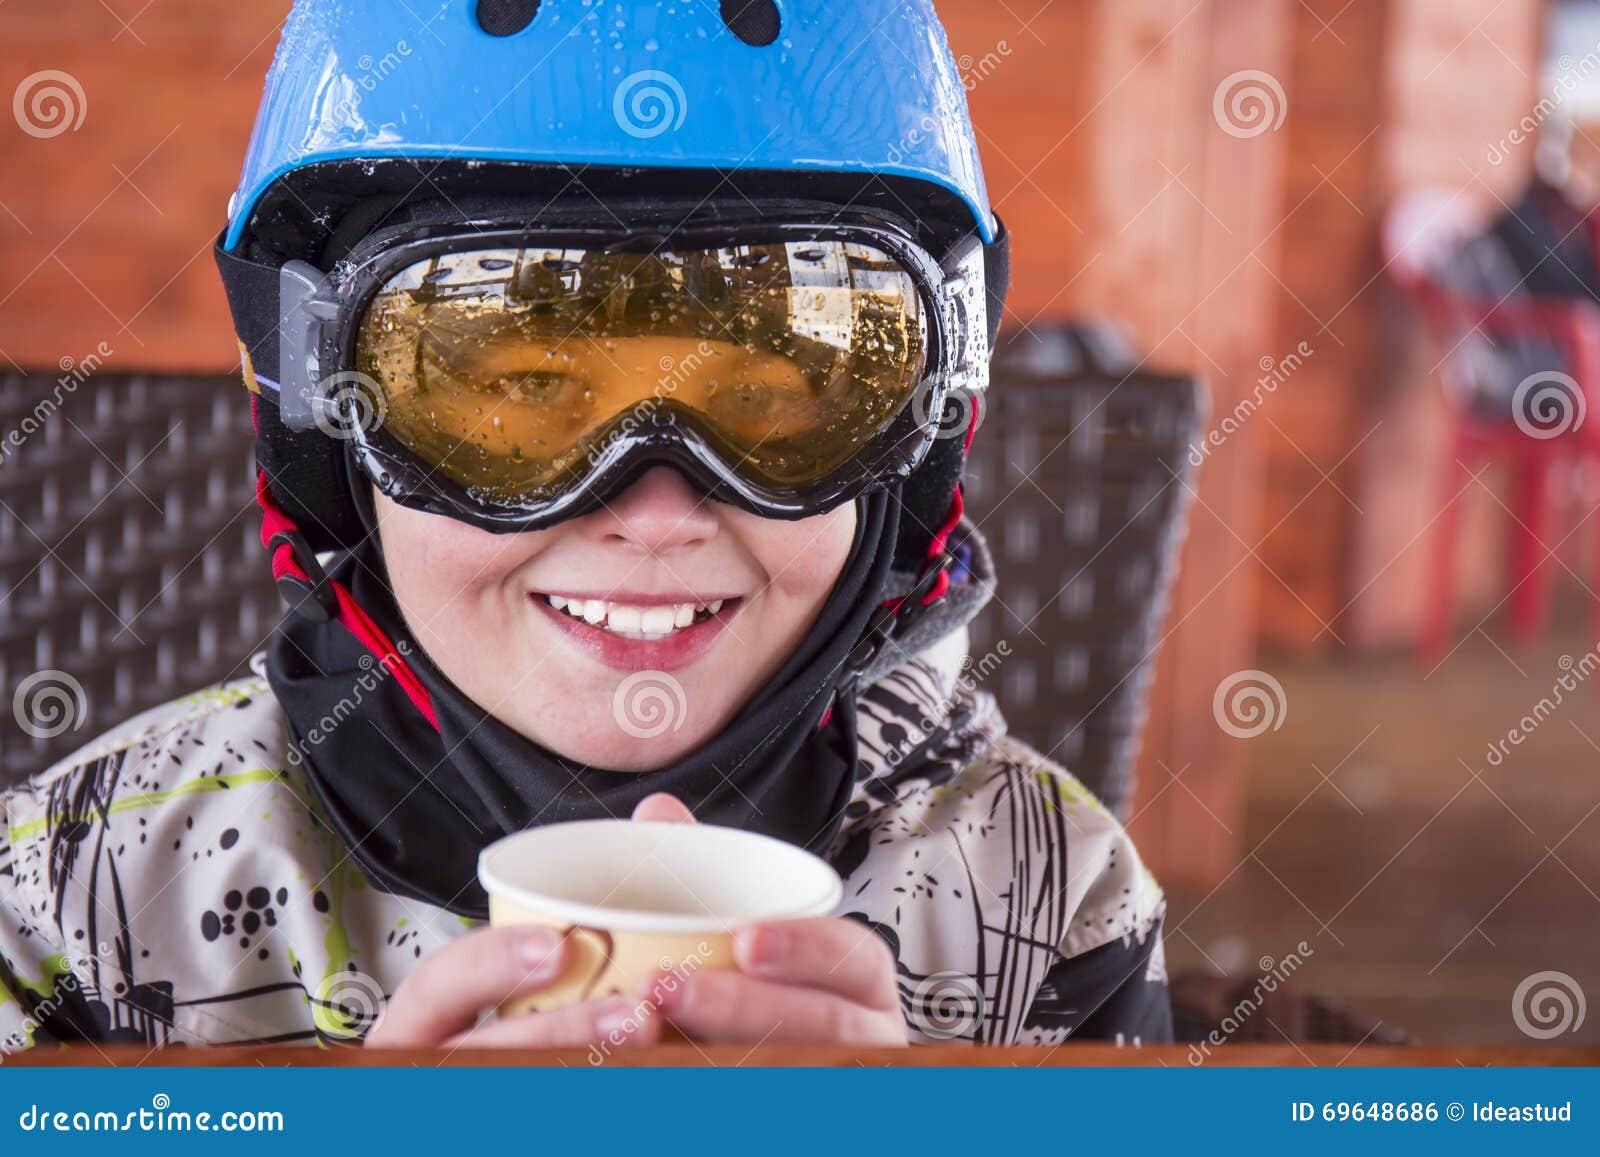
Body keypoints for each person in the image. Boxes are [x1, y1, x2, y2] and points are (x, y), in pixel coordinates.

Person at [0, 0, 1170, 1053]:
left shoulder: (1043, 901)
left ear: (907, 454)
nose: (655, 515)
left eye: (766, 399)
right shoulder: (78, 903)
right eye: (516, 394)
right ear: (330, 440)